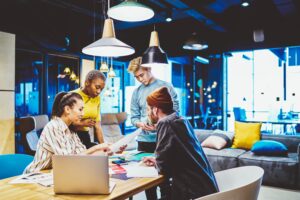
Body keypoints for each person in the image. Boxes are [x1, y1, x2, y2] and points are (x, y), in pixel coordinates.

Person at [143, 87, 219, 200]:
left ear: (155, 109)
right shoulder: (180, 119)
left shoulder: (165, 123)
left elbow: (163, 167)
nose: (148, 113)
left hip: (192, 193)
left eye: (148, 109)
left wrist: (158, 162)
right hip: (205, 187)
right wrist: (157, 161)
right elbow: (177, 155)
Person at [128, 57, 179, 200]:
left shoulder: (166, 87)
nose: (139, 79)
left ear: (148, 69)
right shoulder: (136, 92)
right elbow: (134, 117)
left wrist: (159, 125)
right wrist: (140, 124)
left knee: (164, 179)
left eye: (141, 75)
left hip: (163, 139)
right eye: (136, 77)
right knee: (147, 181)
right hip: (144, 141)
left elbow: (175, 112)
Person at [24, 92, 110, 174]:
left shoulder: (70, 129)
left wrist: (106, 150)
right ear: (67, 109)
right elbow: (68, 160)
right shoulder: (54, 126)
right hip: (36, 175)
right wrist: (97, 147)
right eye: (80, 109)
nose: (83, 114)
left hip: (53, 174)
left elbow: (82, 154)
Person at [72, 70, 106, 148]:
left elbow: (97, 126)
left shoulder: (97, 99)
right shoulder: (73, 96)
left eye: (101, 89)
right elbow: (63, 123)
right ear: (87, 82)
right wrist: (81, 123)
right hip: (71, 136)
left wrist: (104, 147)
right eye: (97, 87)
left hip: (85, 136)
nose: (99, 91)